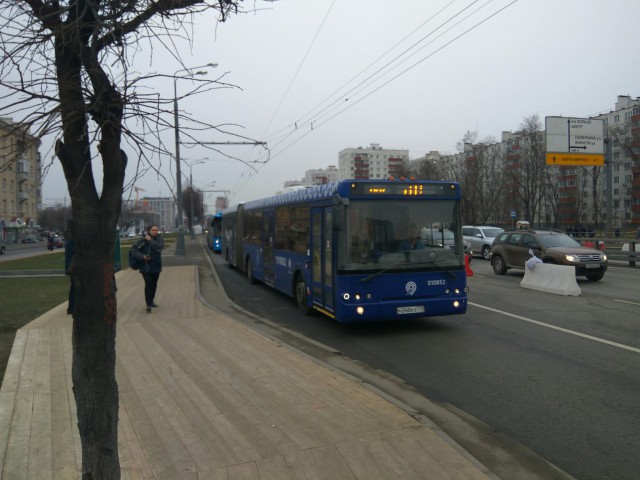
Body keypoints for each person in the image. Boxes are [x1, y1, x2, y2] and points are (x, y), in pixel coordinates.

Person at [139, 225, 164, 313]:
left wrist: (150, 240)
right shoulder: (142, 239)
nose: (155, 231)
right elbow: (134, 250)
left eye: (157, 230)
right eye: (153, 230)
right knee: (148, 283)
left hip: (156, 266)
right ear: (149, 231)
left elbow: (158, 247)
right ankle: (148, 304)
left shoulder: (159, 239)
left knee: (154, 284)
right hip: (145, 266)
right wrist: (142, 256)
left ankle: (151, 301)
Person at [64, 221, 75, 315]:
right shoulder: (73, 240)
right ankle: (72, 307)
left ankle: (71, 307)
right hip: (74, 267)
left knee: (73, 287)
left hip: (70, 267)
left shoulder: (69, 240)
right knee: (75, 287)